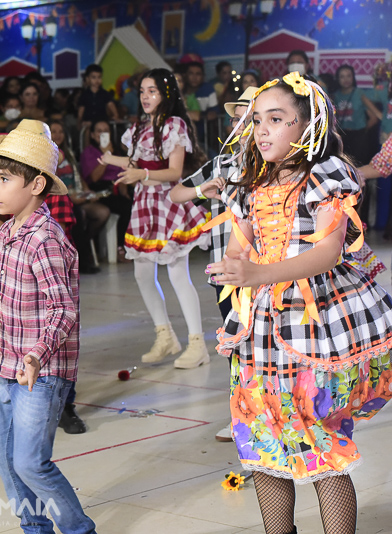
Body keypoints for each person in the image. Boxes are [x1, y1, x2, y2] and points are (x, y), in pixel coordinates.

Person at [206, 72, 392, 534]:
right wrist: (234, 263)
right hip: (260, 330)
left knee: (319, 440)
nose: (261, 130)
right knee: (263, 441)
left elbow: (328, 252)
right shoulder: (248, 180)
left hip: (313, 325)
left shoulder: (326, 175)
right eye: (256, 120)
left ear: (307, 125)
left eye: (276, 119)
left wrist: (258, 273)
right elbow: (240, 244)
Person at [0, 119, 97, 534]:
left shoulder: (46, 239)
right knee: (4, 458)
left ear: (36, 185)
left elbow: (63, 309)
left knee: (31, 462)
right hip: (9, 363)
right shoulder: (9, 232)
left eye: (3, 179)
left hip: (42, 369)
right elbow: (8, 286)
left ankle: (79, 529)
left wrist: (37, 354)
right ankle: (35, 527)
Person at [101, 68, 210, 369]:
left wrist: (142, 174)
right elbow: (137, 162)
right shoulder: (139, 127)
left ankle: (197, 344)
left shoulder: (174, 125)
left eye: (153, 91)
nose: (146, 97)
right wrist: (111, 159)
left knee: (177, 273)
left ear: (166, 94)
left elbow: (174, 172)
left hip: (168, 202)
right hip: (144, 205)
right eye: (142, 91)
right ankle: (165, 335)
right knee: (142, 274)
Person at [169, 86, 258, 441]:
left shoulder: (274, 164)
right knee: (236, 347)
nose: (239, 126)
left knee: (265, 346)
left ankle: (270, 416)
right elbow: (175, 192)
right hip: (225, 273)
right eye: (235, 119)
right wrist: (200, 190)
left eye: (247, 119)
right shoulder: (222, 163)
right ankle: (242, 416)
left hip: (265, 273)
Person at [50, 119, 110, 274]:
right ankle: (81, 258)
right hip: (59, 199)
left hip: (76, 194)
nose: (58, 135)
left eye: (61, 131)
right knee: (78, 215)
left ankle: (84, 243)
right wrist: (72, 197)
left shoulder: (68, 153)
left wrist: (88, 191)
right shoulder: (46, 155)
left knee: (102, 213)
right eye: (54, 131)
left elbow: (77, 175)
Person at [80, 120, 131, 252]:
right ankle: (121, 247)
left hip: (116, 187)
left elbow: (122, 172)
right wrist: (106, 156)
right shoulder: (89, 152)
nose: (103, 134)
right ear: (92, 135)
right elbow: (94, 178)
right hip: (99, 191)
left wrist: (125, 190)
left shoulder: (115, 150)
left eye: (106, 131)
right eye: (99, 131)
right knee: (127, 208)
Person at [331, 64, 379, 166]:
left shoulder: (359, 93)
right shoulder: (335, 95)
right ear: (337, 79)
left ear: (353, 77)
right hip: (343, 136)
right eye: (342, 76)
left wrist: (362, 131)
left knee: (358, 166)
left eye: (349, 76)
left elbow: (374, 118)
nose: (346, 79)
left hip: (358, 137)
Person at [77, 64, 118, 130]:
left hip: (102, 123)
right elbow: (80, 113)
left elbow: (111, 106)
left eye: (99, 77)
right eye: (94, 77)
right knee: (87, 127)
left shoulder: (105, 94)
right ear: (87, 79)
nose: (97, 80)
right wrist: (79, 123)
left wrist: (115, 116)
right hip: (88, 124)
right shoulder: (84, 95)